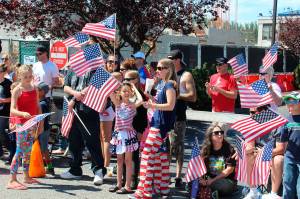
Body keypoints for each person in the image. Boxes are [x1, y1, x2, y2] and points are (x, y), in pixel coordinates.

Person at [129, 58, 177, 199]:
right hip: (159, 125)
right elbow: (163, 103)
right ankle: (162, 189)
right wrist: (151, 99)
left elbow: (170, 105)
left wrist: (152, 106)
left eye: (161, 68)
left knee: (146, 156)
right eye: (158, 68)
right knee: (158, 158)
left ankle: (143, 192)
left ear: (169, 70)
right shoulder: (164, 84)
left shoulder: (169, 85)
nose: (158, 70)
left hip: (160, 126)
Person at [60, 69, 106, 185]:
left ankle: (98, 170)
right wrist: (74, 94)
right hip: (73, 110)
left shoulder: (95, 69)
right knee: (74, 140)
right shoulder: (72, 70)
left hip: (89, 109)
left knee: (92, 141)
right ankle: (75, 169)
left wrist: (75, 98)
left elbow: (93, 87)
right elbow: (65, 86)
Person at [7, 65, 43, 190]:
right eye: (25, 77)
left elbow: (38, 105)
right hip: (21, 124)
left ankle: (26, 176)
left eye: (30, 76)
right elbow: (12, 109)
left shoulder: (34, 88)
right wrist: (22, 113)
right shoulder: (17, 90)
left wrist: (40, 122)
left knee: (28, 151)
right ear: (20, 77)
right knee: (19, 150)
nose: (28, 79)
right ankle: (12, 179)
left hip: (32, 123)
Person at [167, 49, 197, 188]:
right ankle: (165, 174)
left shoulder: (186, 75)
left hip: (179, 116)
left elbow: (193, 96)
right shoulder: (168, 73)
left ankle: (178, 176)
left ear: (178, 60)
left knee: (177, 146)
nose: (169, 61)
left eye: (171, 59)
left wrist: (177, 95)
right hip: (166, 115)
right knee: (166, 147)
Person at [109, 82, 143, 194]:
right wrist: (113, 85)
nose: (126, 93)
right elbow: (110, 93)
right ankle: (119, 184)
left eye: (128, 91)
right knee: (119, 160)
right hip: (119, 135)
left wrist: (134, 88)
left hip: (128, 135)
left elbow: (141, 100)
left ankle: (127, 186)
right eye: (124, 91)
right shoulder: (118, 104)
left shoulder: (132, 105)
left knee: (128, 161)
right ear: (119, 92)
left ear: (131, 92)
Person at [196, 123, 237, 197]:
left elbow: (229, 170)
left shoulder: (229, 149)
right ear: (210, 136)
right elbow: (200, 165)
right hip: (209, 178)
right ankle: (210, 192)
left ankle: (206, 190)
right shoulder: (206, 149)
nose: (220, 135)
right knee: (193, 180)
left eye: (221, 132)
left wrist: (211, 181)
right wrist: (201, 179)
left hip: (226, 180)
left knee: (223, 185)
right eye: (216, 133)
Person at [124, 70, 148, 189]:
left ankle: (134, 178)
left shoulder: (140, 95)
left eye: (128, 79)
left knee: (133, 156)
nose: (125, 81)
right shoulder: (124, 93)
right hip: (123, 130)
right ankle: (125, 179)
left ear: (135, 80)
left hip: (135, 129)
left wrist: (140, 131)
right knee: (123, 155)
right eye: (125, 79)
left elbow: (143, 117)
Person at [279, 92, 300, 199]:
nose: (289, 104)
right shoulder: (286, 121)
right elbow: (284, 143)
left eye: (293, 101)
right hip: (290, 158)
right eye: (287, 101)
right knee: (288, 184)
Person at [37, 82, 54, 175]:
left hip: (43, 129)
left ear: (42, 92)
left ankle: (50, 168)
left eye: (37, 90)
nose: (36, 91)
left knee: (43, 149)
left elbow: (41, 120)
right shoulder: (42, 102)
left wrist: (38, 131)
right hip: (43, 129)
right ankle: (46, 167)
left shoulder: (42, 104)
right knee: (43, 149)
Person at [0, 63, 13, 164]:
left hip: (4, 112)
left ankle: (11, 150)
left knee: (2, 132)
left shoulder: (8, 83)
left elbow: (13, 98)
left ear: (3, 73)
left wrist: (3, 100)